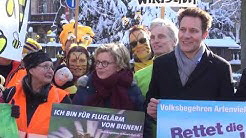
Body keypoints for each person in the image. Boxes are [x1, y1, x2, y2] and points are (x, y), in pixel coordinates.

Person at [146, 7, 234, 120]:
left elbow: (229, 114)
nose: (186, 35)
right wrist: (151, 111)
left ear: (205, 34)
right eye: (183, 29)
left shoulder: (221, 68)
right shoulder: (161, 64)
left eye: (193, 31)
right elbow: (150, 103)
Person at [2, 50, 71, 137]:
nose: (51, 71)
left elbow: (69, 133)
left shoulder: (61, 98)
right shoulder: (11, 93)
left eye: (51, 67)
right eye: (45, 66)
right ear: (31, 70)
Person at [73, 43, 144, 111]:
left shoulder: (131, 89)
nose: (99, 67)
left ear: (119, 66)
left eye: (105, 63)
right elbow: (73, 117)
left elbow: (142, 120)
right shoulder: (86, 86)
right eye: (98, 62)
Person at [134, 18, 178, 96]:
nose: (156, 41)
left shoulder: (185, 71)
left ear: (174, 41)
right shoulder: (139, 76)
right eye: (152, 37)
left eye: (161, 36)